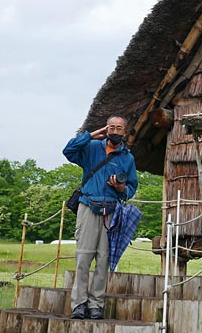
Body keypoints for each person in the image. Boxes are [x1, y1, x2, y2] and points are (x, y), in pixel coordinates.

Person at [63, 115, 138, 320]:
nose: (115, 131)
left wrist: (121, 187)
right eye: (111, 127)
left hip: (111, 211)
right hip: (87, 206)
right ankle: (79, 304)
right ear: (107, 128)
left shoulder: (127, 158)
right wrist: (89, 135)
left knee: (103, 260)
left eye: (119, 128)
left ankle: (96, 304)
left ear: (124, 132)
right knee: (83, 257)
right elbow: (68, 151)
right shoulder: (92, 147)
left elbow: (131, 188)